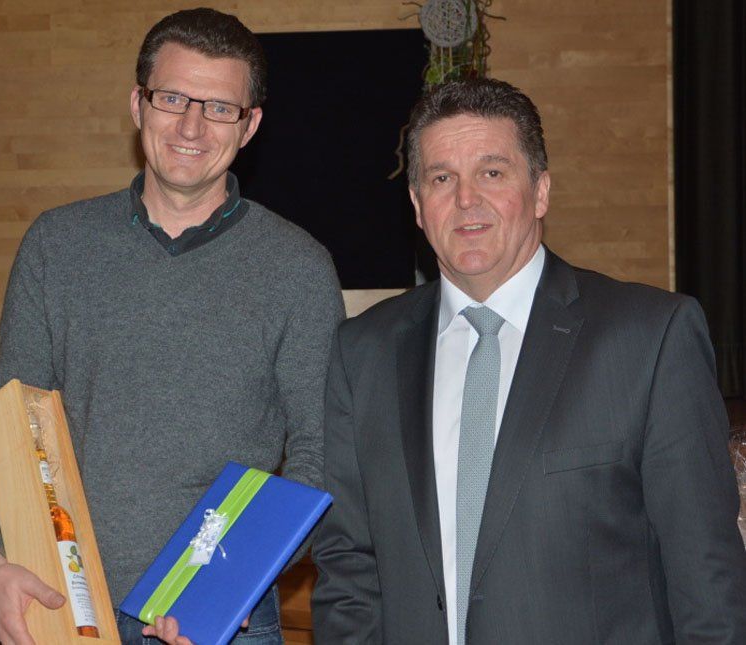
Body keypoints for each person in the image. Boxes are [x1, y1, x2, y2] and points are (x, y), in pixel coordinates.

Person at [311, 77, 746, 644]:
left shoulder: (649, 338)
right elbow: (348, 568)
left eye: (492, 173)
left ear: (540, 192)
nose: (466, 200)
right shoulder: (362, 352)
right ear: (417, 205)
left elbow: (707, 577)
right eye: (442, 178)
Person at [0, 7, 344, 645]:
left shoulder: (299, 268)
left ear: (250, 125)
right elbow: (11, 421)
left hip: (223, 617)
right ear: (137, 105)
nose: (191, 126)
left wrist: (231, 582)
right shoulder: (57, 246)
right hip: (67, 604)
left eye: (219, 107)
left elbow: (322, 454)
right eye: (172, 98)